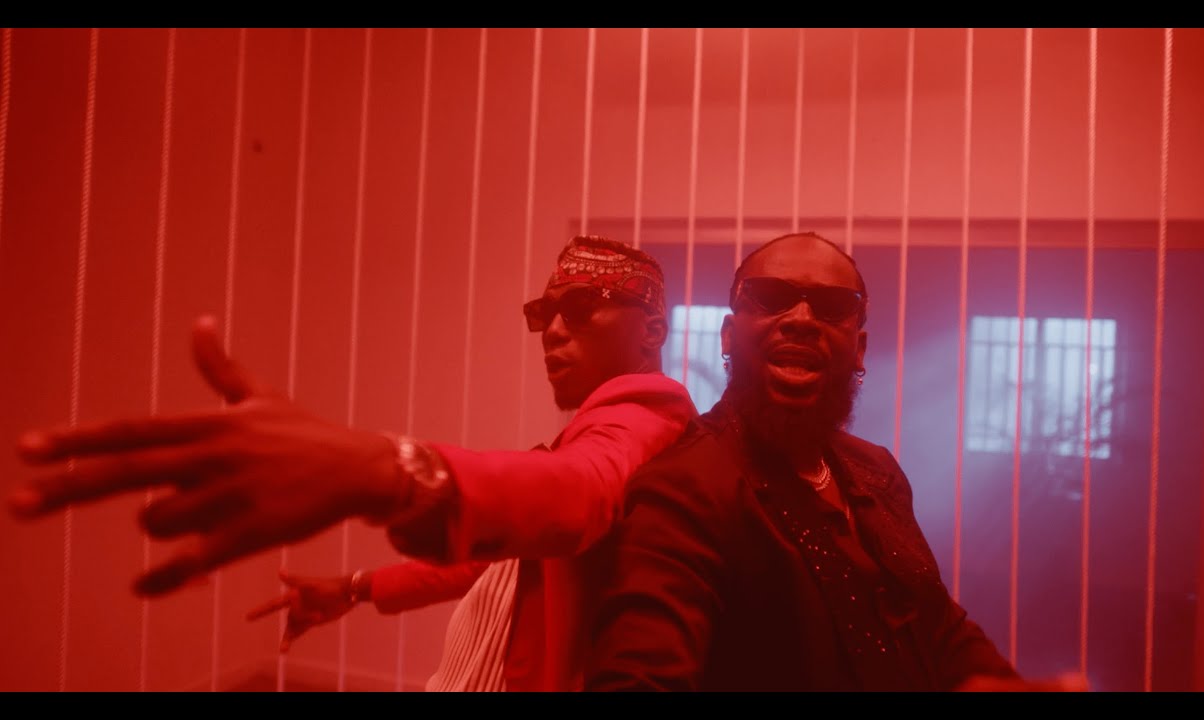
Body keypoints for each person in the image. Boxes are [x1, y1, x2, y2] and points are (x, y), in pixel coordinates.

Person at [10, 234, 697, 692]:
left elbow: (575, 493)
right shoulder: (600, 425)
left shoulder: (646, 415)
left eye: (581, 307)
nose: (552, 330)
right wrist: (359, 587)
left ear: (653, 332)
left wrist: (390, 467)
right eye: (544, 312)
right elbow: (506, 557)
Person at [584, 231, 1085, 692]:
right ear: (728, 336)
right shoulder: (683, 488)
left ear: (859, 348)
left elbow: (936, 626)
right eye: (771, 297)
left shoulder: (877, 473)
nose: (801, 319)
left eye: (831, 306)